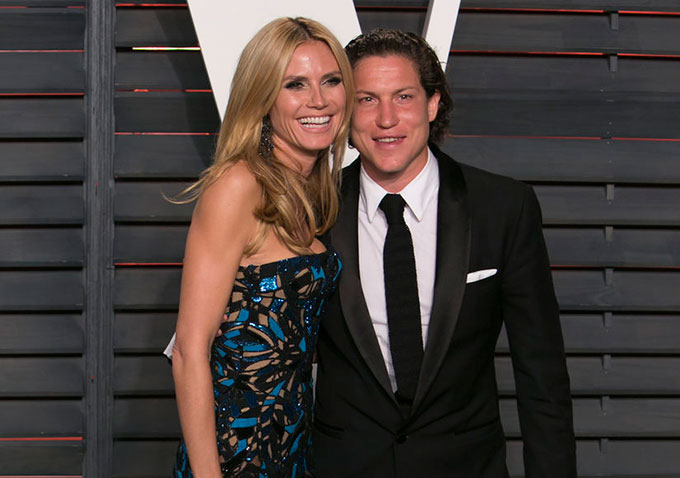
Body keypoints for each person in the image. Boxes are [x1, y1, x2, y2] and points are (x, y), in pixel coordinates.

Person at [313, 29, 577, 477]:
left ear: (432, 104)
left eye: (403, 97)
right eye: (367, 100)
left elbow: (542, 374)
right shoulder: (311, 211)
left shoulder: (502, 207)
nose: (386, 119)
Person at [170, 17, 353, 478]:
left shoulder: (313, 192)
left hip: (292, 449)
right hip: (235, 456)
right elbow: (189, 350)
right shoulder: (238, 185)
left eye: (331, 81)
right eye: (295, 84)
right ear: (263, 97)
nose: (319, 100)